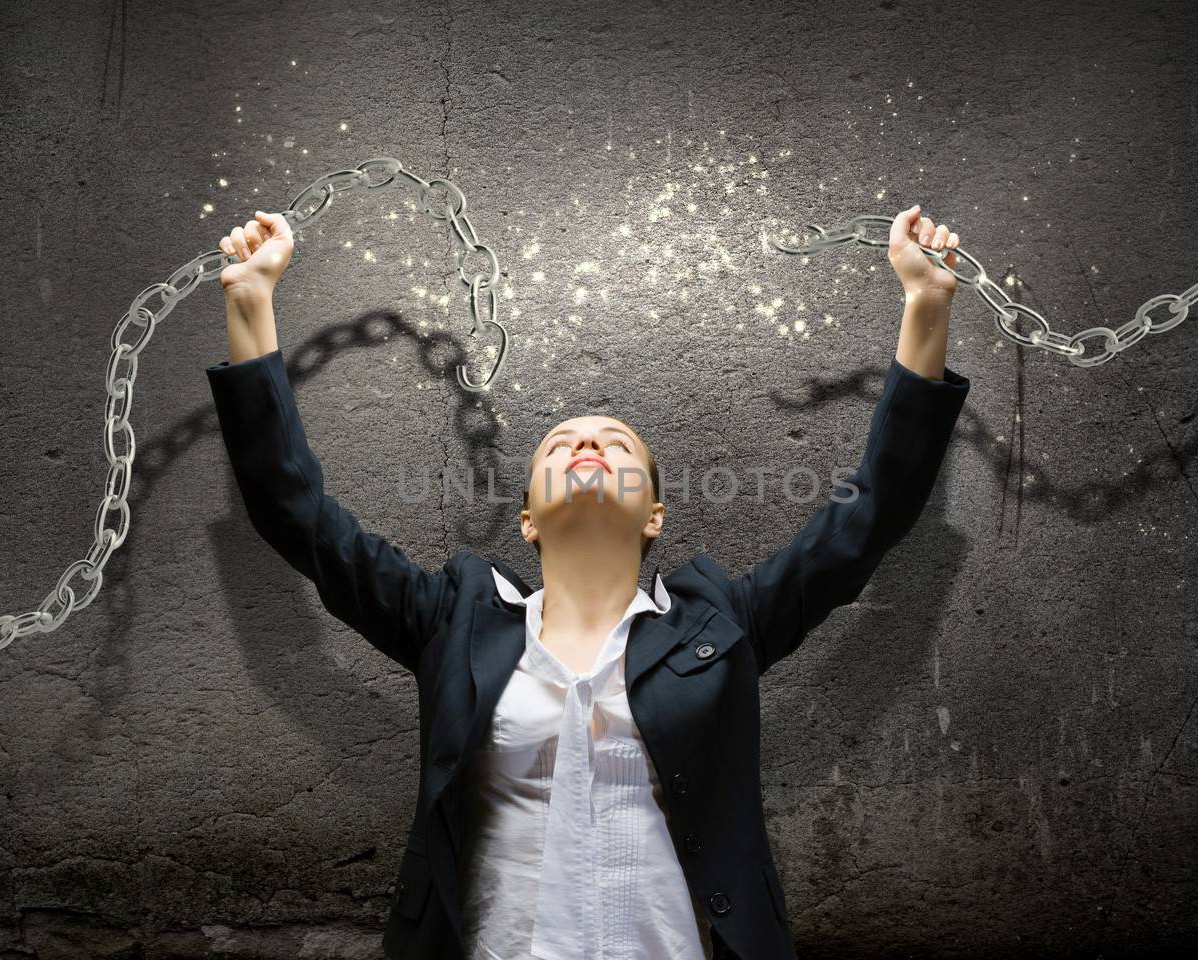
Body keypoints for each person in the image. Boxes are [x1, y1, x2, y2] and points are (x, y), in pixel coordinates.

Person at [205, 203, 970, 960]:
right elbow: (297, 514)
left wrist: (926, 305)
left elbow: (867, 516)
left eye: (614, 443)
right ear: (530, 519)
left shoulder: (719, 624)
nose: (588, 445)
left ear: (654, 518)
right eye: (562, 445)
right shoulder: (454, 620)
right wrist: (250, 302)